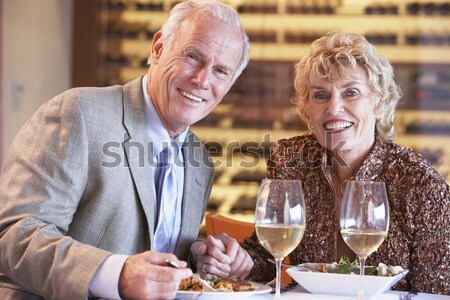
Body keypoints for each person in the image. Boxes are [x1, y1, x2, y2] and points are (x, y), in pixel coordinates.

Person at [0, 0, 250, 299]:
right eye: (193, 56)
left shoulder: (199, 160)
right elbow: (15, 234)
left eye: (221, 71)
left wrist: (201, 258)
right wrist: (118, 275)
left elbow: (154, 255)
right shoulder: (79, 113)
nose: (202, 80)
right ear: (158, 48)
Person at [191, 32, 450, 295]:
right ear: (307, 110)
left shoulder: (422, 185)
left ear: (380, 104)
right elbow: (269, 253)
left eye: (351, 92)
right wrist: (238, 261)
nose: (334, 107)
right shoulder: (291, 159)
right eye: (320, 95)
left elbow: (436, 292)